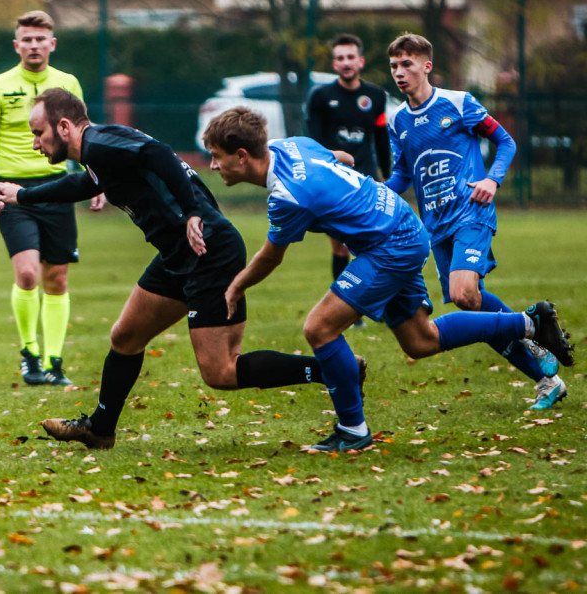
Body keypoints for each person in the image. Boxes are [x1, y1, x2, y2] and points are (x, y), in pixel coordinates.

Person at [0, 88, 349, 451]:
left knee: (221, 371)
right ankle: (100, 429)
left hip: (209, 250)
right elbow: (85, 183)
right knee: (125, 337)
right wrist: (24, 196)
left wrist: (192, 211)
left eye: (39, 133)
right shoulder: (101, 150)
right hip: (177, 254)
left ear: (64, 126)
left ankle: (330, 369)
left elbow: (158, 153)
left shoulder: (100, 143)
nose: (36, 143)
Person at [204, 106, 574, 452]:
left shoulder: (287, 196)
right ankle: (529, 322)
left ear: (241, 155)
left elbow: (271, 255)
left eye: (217, 156)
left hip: (390, 243)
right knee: (420, 340)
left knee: (319, 327)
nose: (212, 164)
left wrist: (236, 285)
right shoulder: (290, 146)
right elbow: (342, 159)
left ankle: (353, 430)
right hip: (399, 223)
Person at [383, 33, 567, 410]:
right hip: (434, 224)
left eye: (407, 64)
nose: (399, 73)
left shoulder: (458, 103)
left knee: (465, 293)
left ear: (426, 66)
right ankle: (545, 373)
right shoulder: (398, 120)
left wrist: (491, 179)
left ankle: (532, 325)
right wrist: (373, 193)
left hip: (471, 212)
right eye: (394, 66)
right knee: (473, 307)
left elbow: (507, 142)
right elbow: (402, 175)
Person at [0, 11, 103, 387]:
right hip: (10, 191)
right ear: (16, 45)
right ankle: (30, 354)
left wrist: (98, 180)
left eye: (39, 39)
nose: (33, 45)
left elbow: (84, 135)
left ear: (52, 44)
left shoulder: (66, 84)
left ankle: (54, 362)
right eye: (26, 39)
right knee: (28, 272)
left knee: (56, 278)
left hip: (57, 187)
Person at [306, 33, 392, 329]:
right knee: (341, 248)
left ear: (361, 61)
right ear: (334, 63)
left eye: (350, 57)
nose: (346, 62)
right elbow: (312, 143)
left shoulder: (376, 97)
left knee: (375, 244)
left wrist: (388, 176)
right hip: (334, 184)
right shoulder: (320, 97)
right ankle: (348, 310)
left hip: (367, 181)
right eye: (340, 58)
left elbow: (381, 138)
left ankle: (380, 303)